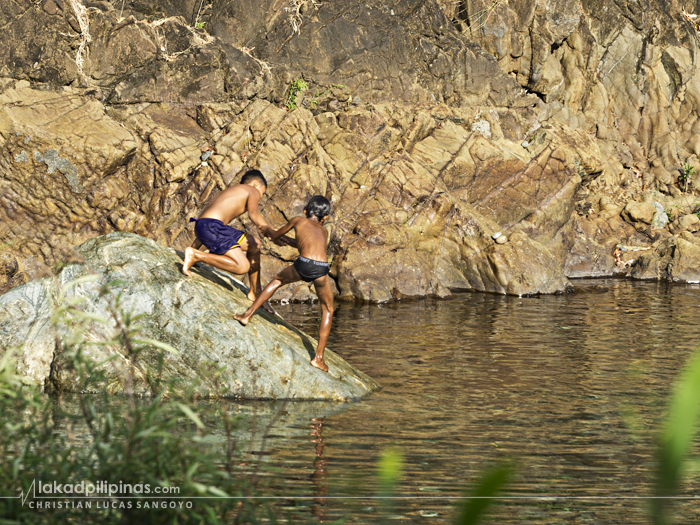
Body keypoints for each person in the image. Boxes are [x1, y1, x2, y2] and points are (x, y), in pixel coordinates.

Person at [234, 195, 334, 372]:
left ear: (305, 211)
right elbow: (310, 246)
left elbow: (277, 235)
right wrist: (288, 241)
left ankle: (247, 315)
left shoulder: (297, 220)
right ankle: (318, 358)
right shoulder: (324, 231)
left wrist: (272, 234)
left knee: (277, 281)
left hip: (304, 263)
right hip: (321, 268)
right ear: (324, 218)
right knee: (327, 309)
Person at [183, 169, 276, 313]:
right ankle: (197, 256)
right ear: (256, 183)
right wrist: (268, 229)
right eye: (261, 193)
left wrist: (194, 245)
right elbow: (254, 214)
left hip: (206, 226)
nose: (259, 197)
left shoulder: (232, 192)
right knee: (242, 266)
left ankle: (255, 292)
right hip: (212, 226)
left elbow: (204, 222)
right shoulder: (252, 190)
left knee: (255, 244)